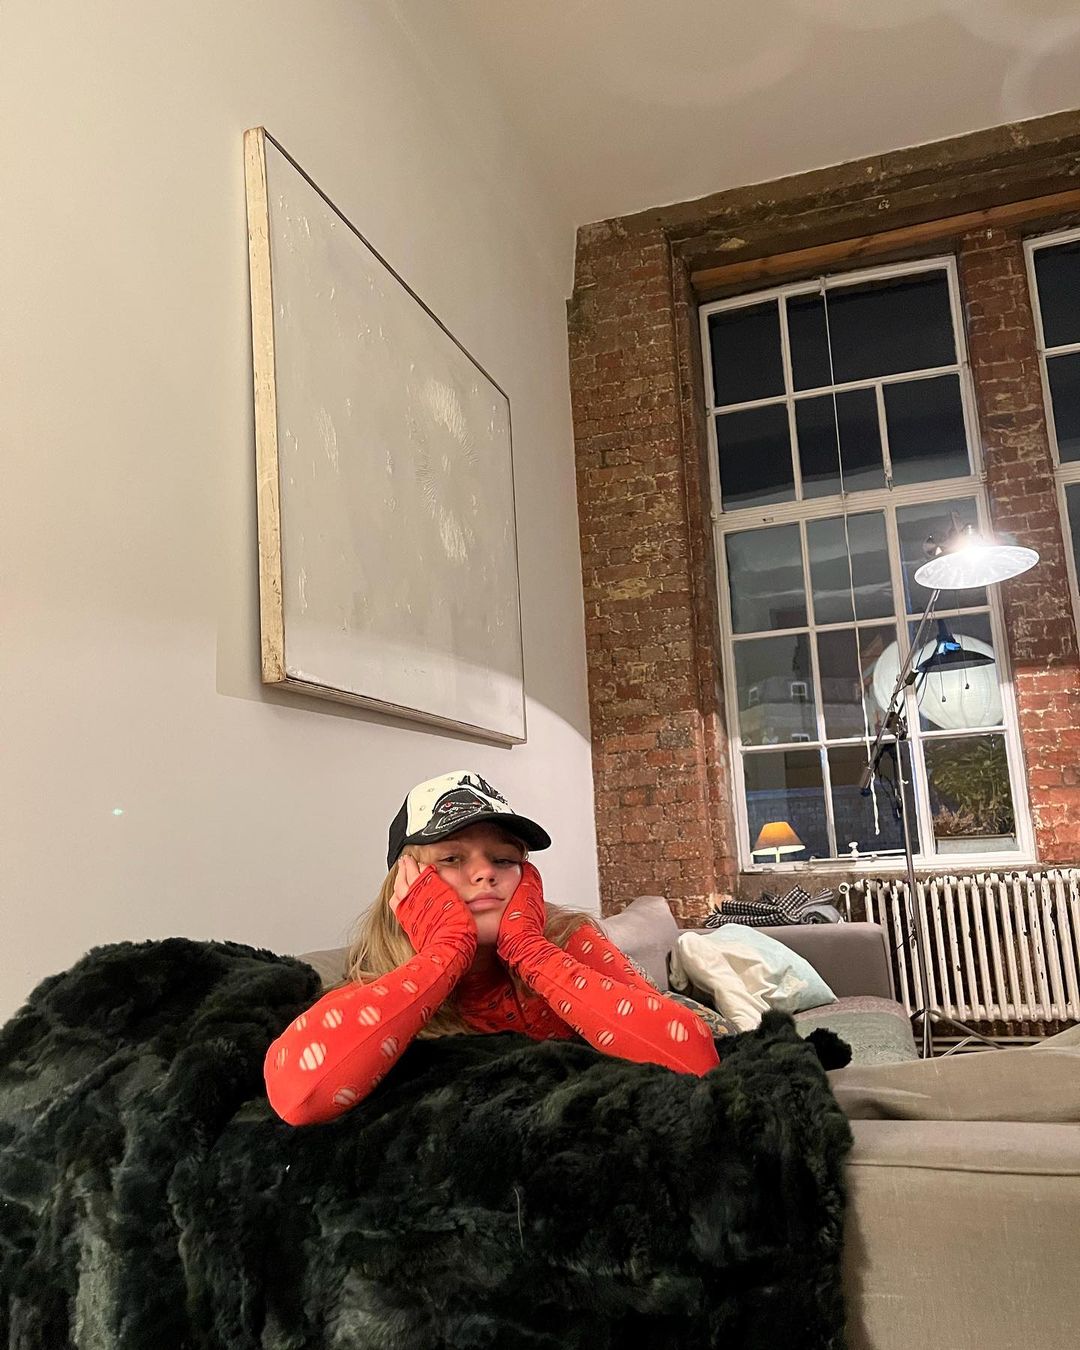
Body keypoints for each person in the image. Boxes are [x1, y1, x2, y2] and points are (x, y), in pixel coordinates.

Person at [264, 770, 720, 1126]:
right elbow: (300, 1097)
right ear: (407, 884)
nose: (486, 873)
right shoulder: (379, 984)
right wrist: (445, 953)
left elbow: (694, 1060)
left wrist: (529, 949)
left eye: (505, 859)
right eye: (452, 858)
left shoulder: (569, 939)